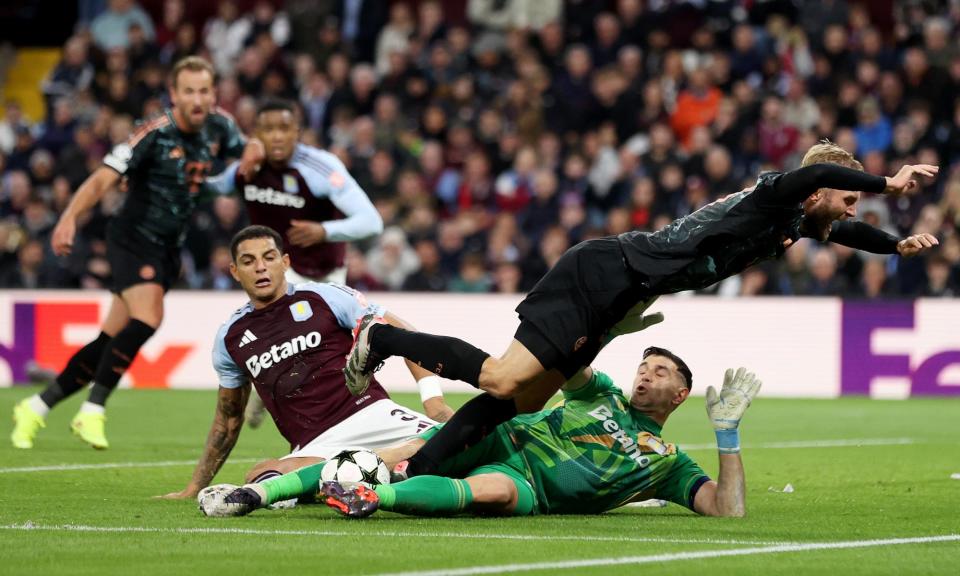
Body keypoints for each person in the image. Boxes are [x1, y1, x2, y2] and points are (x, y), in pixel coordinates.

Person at [344, 140, 940, 480]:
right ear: (817, 191)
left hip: (624, 290)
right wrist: (889, 182)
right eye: (848, 199)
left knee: (519, 401)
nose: (848, 211)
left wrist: (894, 245)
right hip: (605, 271)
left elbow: (849, 234)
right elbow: (815, 173)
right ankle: (386, 339)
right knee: (505, 377)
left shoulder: (795, 221)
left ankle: (418, 469)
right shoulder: (778, 192)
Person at [10, 56, 265, 450]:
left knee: (110, 339)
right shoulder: (153, 133)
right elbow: (103, 179)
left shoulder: (220, 126)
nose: (197, 99)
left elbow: (247, 146)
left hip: (167, 246)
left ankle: (36, 407)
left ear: (213, 94)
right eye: (189, 92)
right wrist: (69, 218)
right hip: (132, 237)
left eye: (204, 91)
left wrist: (254, 150)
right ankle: (92, 410)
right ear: (173, 95)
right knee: (149, 316)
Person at [200, 347, 760, 519]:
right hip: (502, 436)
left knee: (492, 491)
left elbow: (727, 510)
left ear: (681, 395)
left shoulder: (667, 461)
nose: (646, 375)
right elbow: (570, 362)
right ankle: (258, 491)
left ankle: (369, 497)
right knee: (415, 448)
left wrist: (727, 437)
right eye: (645, 365)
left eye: (660, 373)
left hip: (529, 488)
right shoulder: (603, 393)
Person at [161, 225, 452, 501]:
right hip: (317, 446)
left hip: (373, 415)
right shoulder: (230, 338)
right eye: (248, 261)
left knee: (453, 443)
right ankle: (385, 471)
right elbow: (228, 420)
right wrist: (195, 487)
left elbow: (405, 337)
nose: (260, 267)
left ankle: (365, 473)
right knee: (261, 477)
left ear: (285, 261)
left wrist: (433, 401)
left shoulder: (324, 296)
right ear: (235, 272)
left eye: (269, 257)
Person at [206, 98, 384, 426]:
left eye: (284, 129)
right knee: (278, 337)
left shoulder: (320, 167)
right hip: (279, 267)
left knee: (332, 349)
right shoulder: (247, 168)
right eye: (268, 130)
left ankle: (351, 411)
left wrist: (324, 230)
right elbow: (209, 189)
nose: (276, 137)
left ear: (297, 133)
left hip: (325, 271)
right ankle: (271, 391)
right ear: (256, 134)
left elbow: (372, 222)